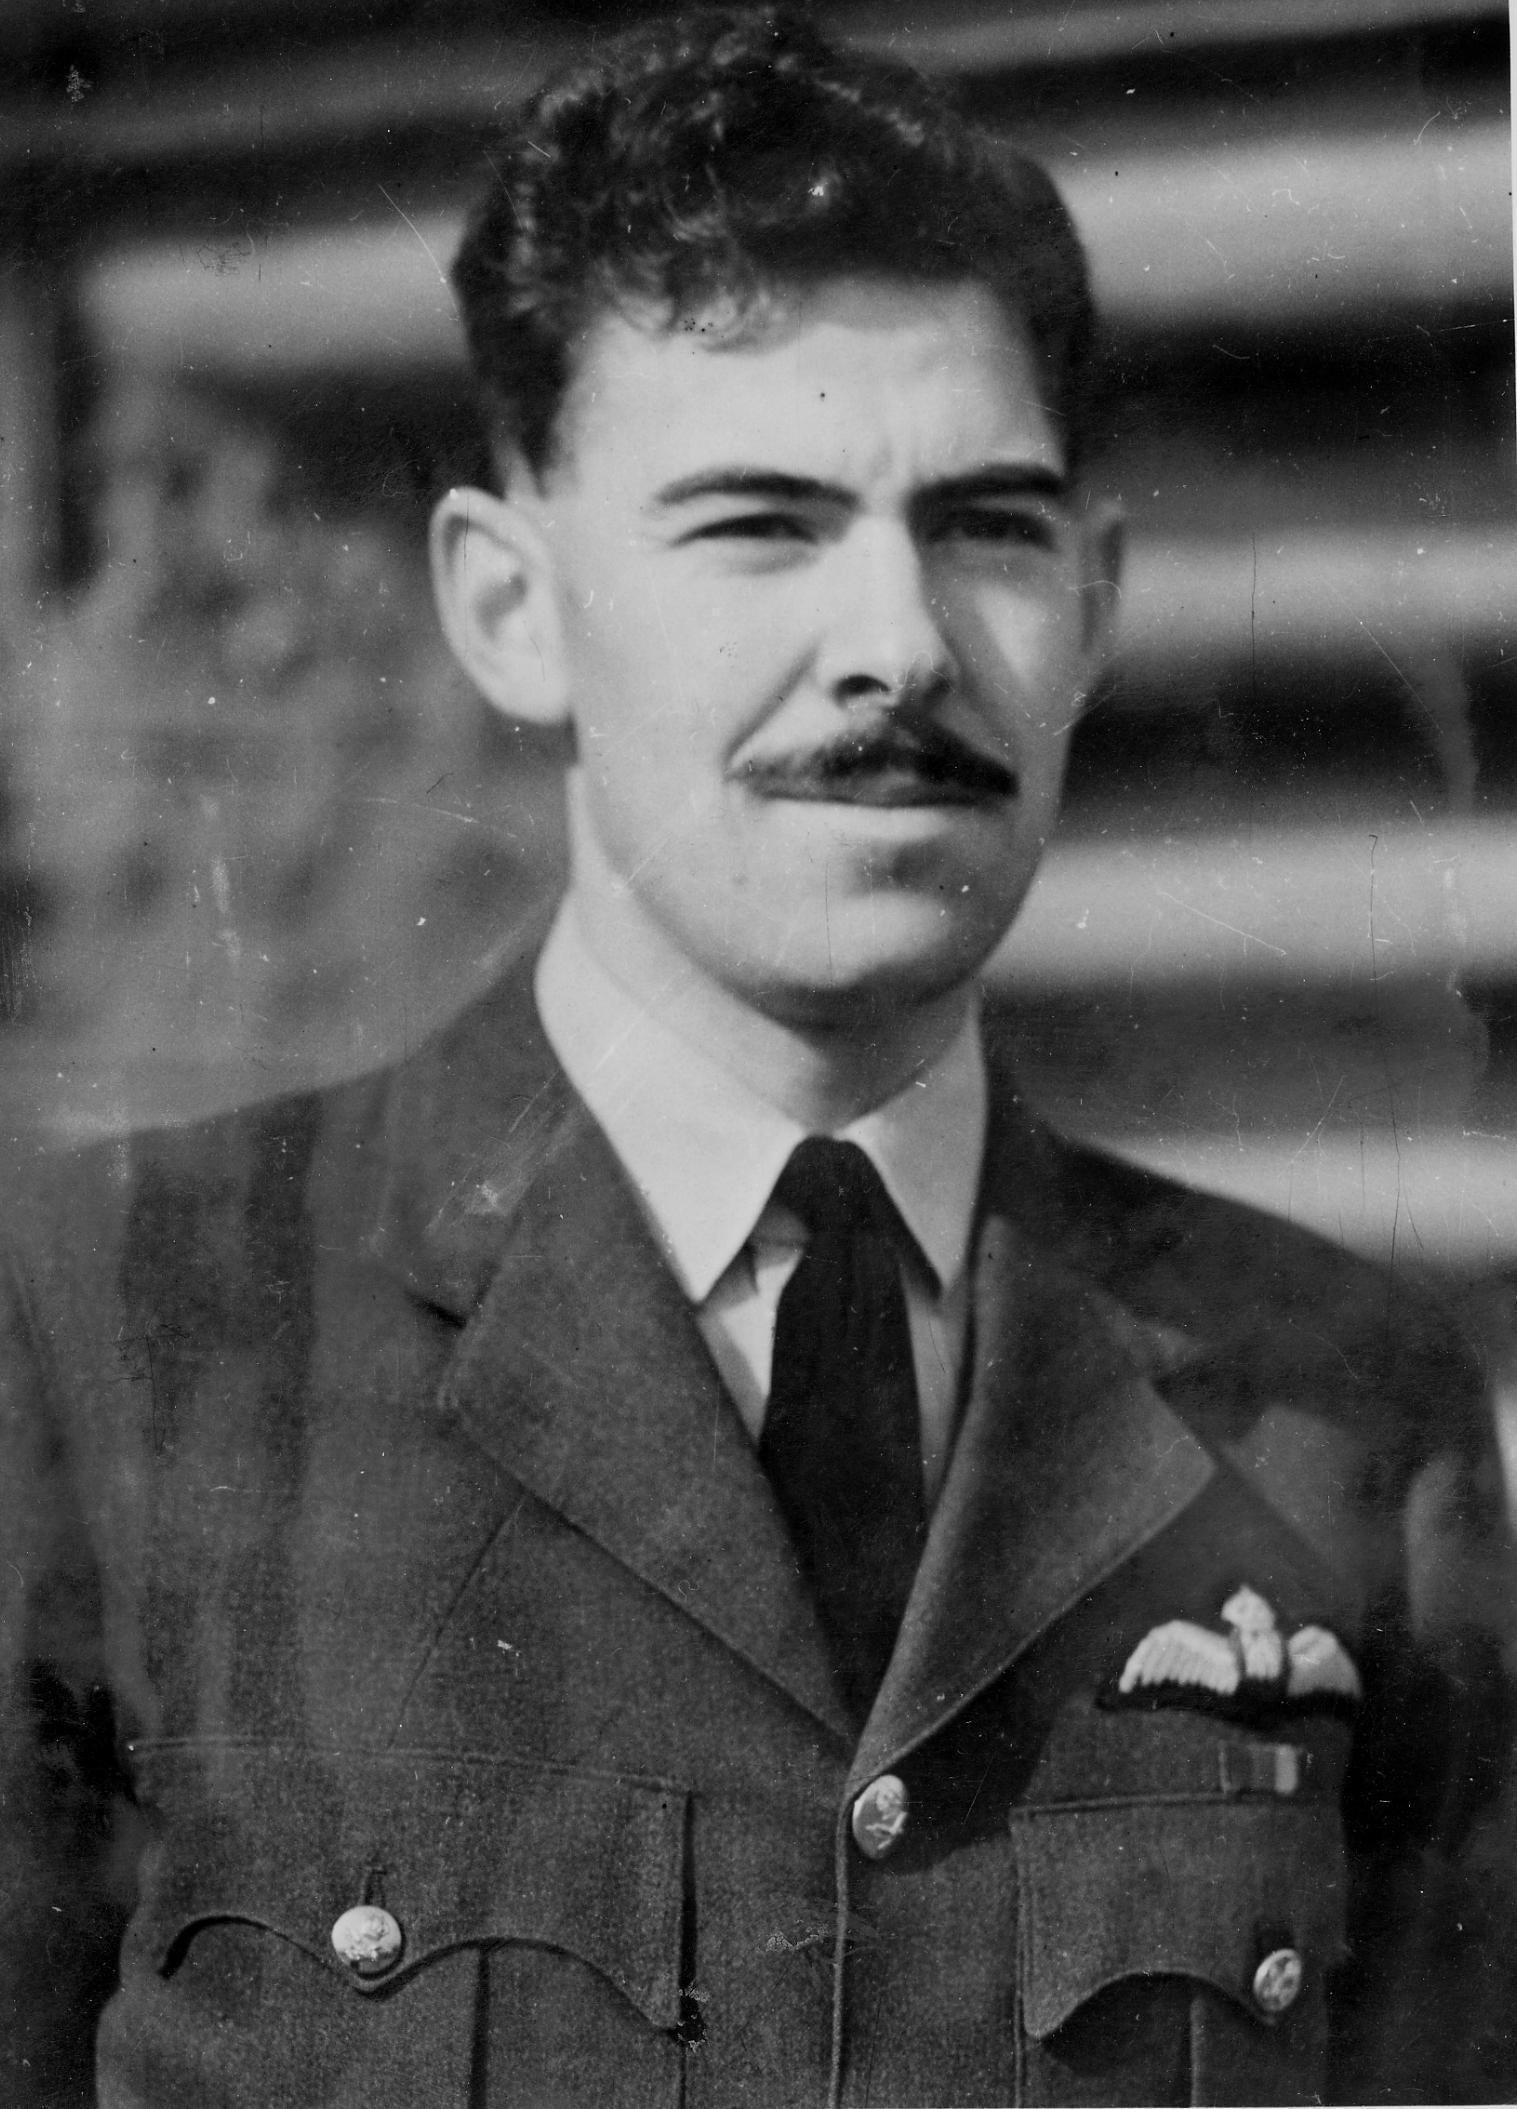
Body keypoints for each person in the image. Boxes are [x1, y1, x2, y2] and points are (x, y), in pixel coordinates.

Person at [2, 10, 1512, 2104]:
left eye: (986, 527)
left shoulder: (1348, 1413)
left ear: (1094, 605)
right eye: (758, 522)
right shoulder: (103, 1332)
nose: (898, 645)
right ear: (512, 605)